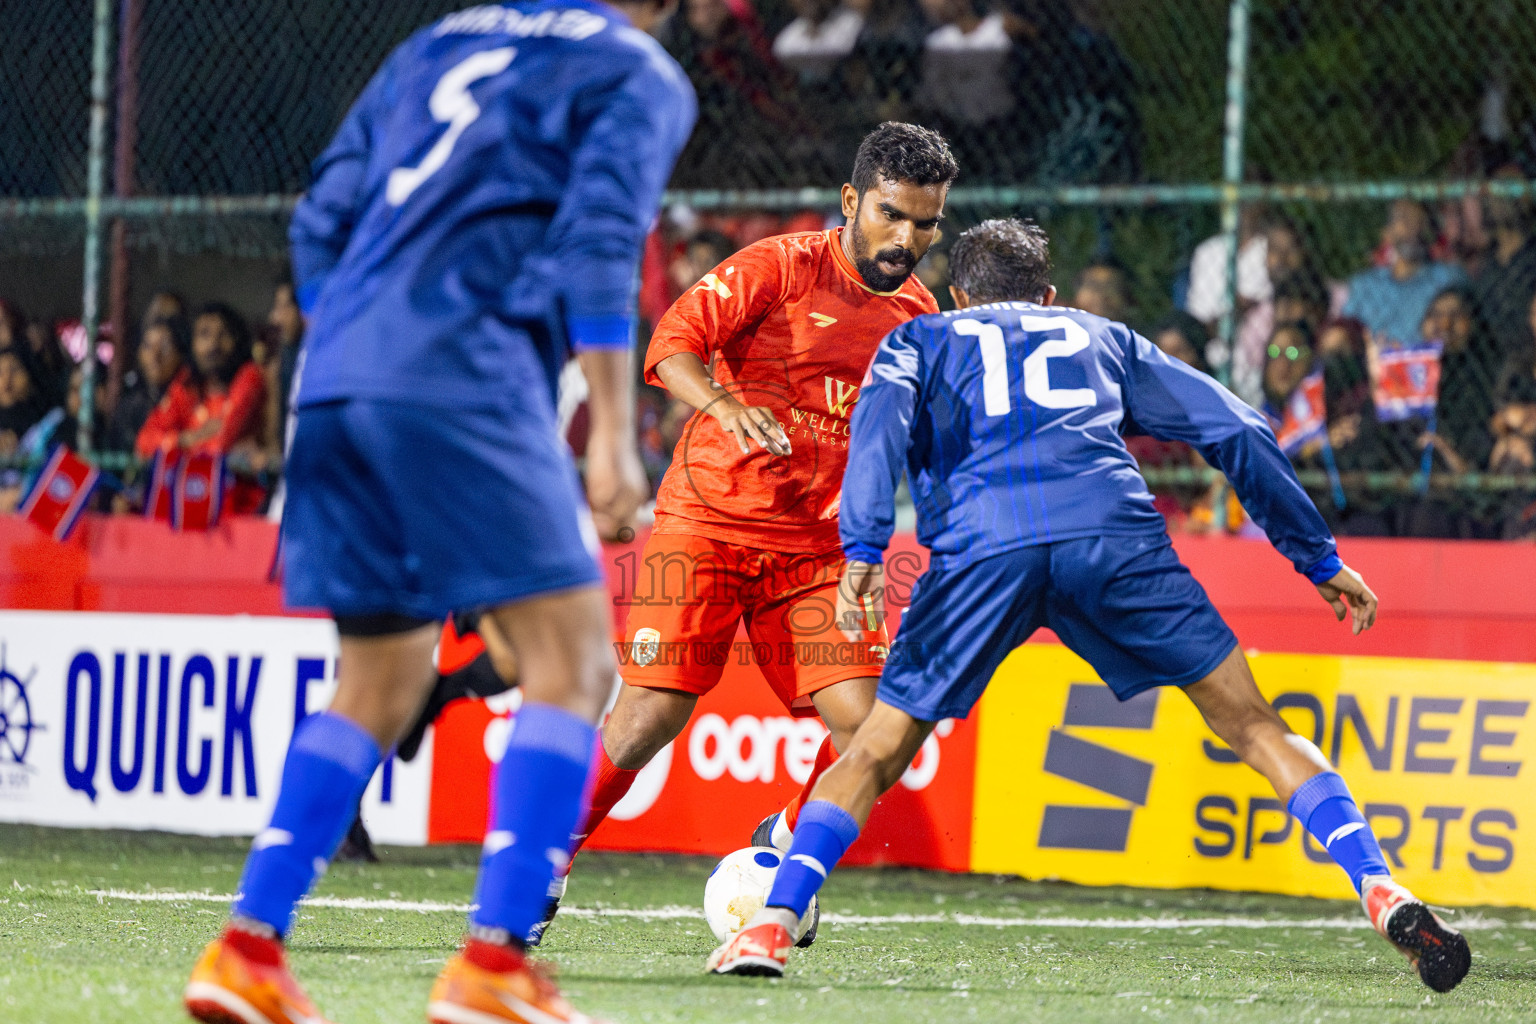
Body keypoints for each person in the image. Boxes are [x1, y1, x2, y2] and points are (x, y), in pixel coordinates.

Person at [707, 218, 1472, 996]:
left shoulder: (921, 341)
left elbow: (875, 436)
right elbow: (1237, 426)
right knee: (1253, 723)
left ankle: (772, 922)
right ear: (1047, 294)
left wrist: (865, 551)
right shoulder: (1102, 337)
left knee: (874, 749)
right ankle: (1382, 887)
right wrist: (1317, 556)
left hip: (984, 546)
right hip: (1114, 538)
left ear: (956, 296)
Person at [181, 1, 695, 1023]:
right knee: (574, 659)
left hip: (333, 378)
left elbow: (319, 216)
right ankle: (495, 964)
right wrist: (607, 431)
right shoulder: (638, 71)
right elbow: (599, 240)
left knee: (379, 675)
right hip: (463, 371)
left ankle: (246, 948)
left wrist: (360, 343)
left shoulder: (439, 40)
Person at [551, 123, 955, 943]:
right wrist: (724, 405)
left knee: (872, 729)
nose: (905, 239)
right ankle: (543, 867)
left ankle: (783, 843)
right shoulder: (779, 266)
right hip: (707, 523)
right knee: (641, 725)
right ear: (852, 201)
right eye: (890, 216)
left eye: (925, 223)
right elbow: (670, 346)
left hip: (814, 553)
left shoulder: (918, 316)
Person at [136, 302, 269, 514]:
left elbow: (221, 444)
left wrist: (179, 448)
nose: (213, 345)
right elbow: (144, 442)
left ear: (238, 341)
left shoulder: (249, 377)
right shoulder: (187, 386)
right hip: (188, 506)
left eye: (224, 334)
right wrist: (186, 438)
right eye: (204, 335)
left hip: (241, 510)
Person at [1342, 200, 1467, 345]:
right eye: (1404, 219)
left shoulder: (1449, 277)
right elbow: (1345, 327)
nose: (1412, 229)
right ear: (1387, 233)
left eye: (1418, 221)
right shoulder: (1365, 285)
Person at [107, 314, 190, 453]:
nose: (155, 355)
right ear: (138, 353)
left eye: (165, 346)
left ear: (181, 354)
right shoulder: (128, 405)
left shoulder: (192, 399)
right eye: (147, 346)